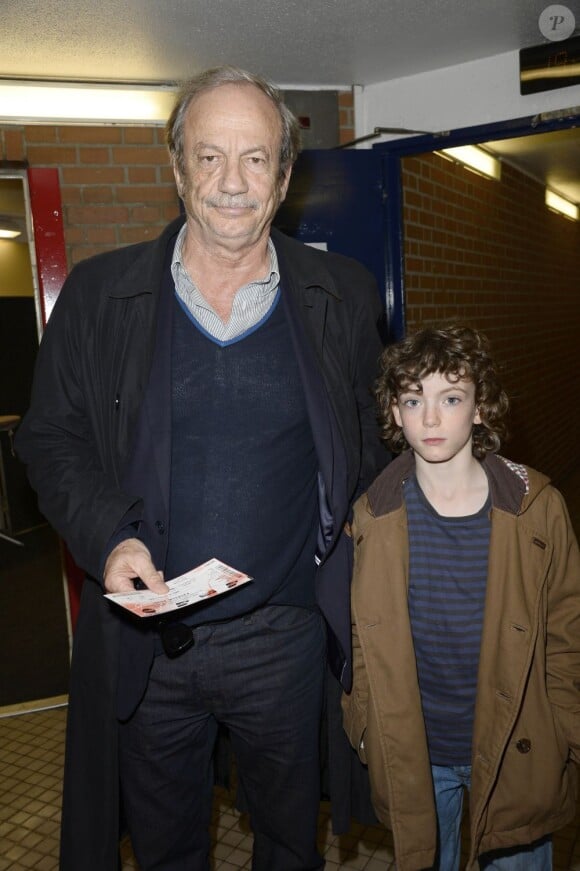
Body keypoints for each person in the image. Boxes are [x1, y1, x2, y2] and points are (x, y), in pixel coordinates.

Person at [16, 66, 387, 871]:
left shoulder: (341, 296)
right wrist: (109, 535)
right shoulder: (98, 295)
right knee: (166, 844)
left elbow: (372, 447)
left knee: (291, 842)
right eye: (209, 156)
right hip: (152, 648)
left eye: (256, 159)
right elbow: (49, 439)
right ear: (177, 168)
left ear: (285, 177)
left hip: (284, 638)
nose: (231, 182)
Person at [341, 324, 580, 871]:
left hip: (519, 734)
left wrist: (565, 725)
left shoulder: (536, 509)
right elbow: (357, 631)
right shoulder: (373, 517)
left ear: (478, 409)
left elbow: (568, 627)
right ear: (394, 413)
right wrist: (361, 718)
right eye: (412, 399)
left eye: (450, 398)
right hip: (417, 747)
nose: (429, 418)